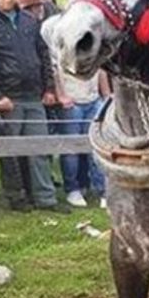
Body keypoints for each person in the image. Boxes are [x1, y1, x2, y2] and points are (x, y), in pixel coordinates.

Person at [0, 0, 65, 213]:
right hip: (8, 97)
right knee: (11, 151)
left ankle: (45, 197)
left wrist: (49, 88)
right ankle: (16, 197)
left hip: (34, 94)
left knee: (39, 148)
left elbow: (44, 56)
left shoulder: (29, 21)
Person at [51, 67, 108, 208]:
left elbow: (100, 67)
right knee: (71, 149)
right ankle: (73, 189)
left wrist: (106, 94)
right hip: (71, 101)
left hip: (93, 100)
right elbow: (55, 69)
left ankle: (102, 190)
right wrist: (61, 95)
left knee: (96, 146)